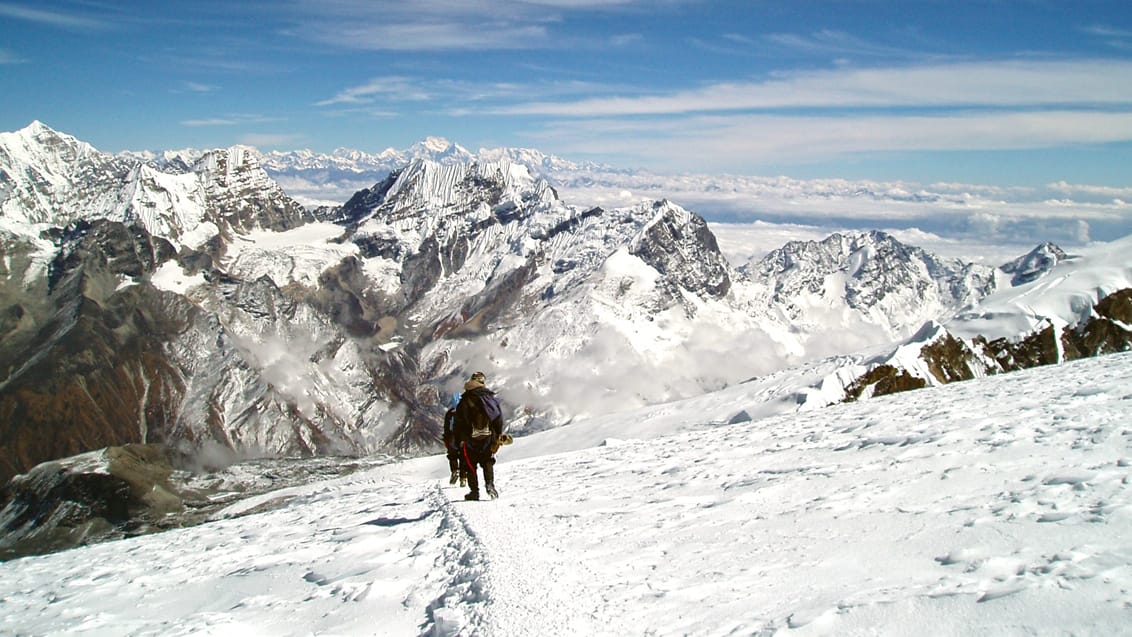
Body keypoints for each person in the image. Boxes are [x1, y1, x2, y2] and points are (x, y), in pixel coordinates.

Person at [454, 371, 505, 500]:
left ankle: (474, 492)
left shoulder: (465, 400)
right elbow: (498, 418)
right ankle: (490, 485)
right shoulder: (490, 399)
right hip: (488, 437)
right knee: (487, 460)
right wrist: (498, 435)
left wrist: (460, 439)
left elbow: (459, 422)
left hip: (469, 439)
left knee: (470, 464)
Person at [442, 393, 466, 487]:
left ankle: (455, 470)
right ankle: (463, 477)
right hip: (463, 436)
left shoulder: (450, 413)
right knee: (463, 456)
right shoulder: (465, 411)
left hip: (452, 435)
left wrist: (446, 437)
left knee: (452, 455)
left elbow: (446, 427)